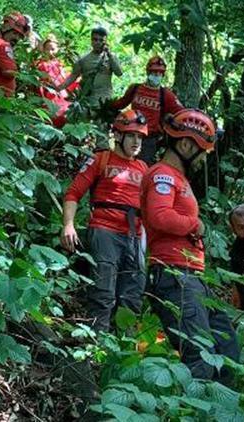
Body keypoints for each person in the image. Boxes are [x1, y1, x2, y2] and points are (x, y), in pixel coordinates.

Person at [140, 109, 239, 384]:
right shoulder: (163, 174)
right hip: (174, 274)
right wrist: (195, 225)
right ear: (185, 144)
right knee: (200, 356)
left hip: (191, 276)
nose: (204, 158)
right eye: (202, 151)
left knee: (227, 351)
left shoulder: (178, 178)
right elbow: (159, 216)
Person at [60, 110, 149, 332]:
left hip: (136, 235)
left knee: (132, 294)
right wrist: (68, 225)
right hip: (104, 230)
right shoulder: (100, 159)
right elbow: (73, 193)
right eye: (132, 136)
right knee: (103, 291)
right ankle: (97, 344)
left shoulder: (144, 169)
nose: (137, 142)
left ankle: (123, 347)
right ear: (118, 136)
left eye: (140, 137)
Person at [111, 56, 184, 165]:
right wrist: (106, 107)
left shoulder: (166, 95)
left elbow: (181, 113)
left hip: (149, 140)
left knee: (141, 167)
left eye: (160, 73)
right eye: (154, 72)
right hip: (130, 134)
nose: (157, 75)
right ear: (148, 73)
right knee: (123, 163)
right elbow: (121, 103)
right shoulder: (135, 88)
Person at [57, 26, 122, 129]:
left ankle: (101, 145)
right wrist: (59, 87)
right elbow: (74, 75)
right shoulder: (84, 59)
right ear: (91, 40)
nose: (98, 42)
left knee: (102, 127)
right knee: (80, 125)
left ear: (105, 42)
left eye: (101, 40)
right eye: (95, 39)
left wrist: (109, 54)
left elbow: (119, 72)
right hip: (86, 96)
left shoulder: (110, 58)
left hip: (103, 98)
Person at [35, 34, 77, 128]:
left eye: (53, 49)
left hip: (62, 95)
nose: (50, 52)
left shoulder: (59, 63)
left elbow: (65, 79)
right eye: (47, 49)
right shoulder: (41, 64)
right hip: (49, 95)